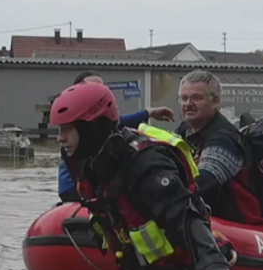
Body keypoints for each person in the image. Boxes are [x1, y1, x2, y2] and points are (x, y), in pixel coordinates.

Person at [51, 81, 243, 270]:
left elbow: (186, 219)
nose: (60, 138)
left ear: (90, 127)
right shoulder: (94, 165)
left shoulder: (145, 164)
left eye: (66, 130)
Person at [57, 71, 175, 203]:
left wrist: (149, 113)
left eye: (102, 88)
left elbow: (116, 123)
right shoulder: (78, 138)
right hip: (73, 194)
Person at [173, 70, 263, 224]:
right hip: (204, 219)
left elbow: (203, 184)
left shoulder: (225, 138)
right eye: (184, 98)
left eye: (197, 98)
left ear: (215, 101)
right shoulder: (184, 131)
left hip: (233, 224)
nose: (188, 104)